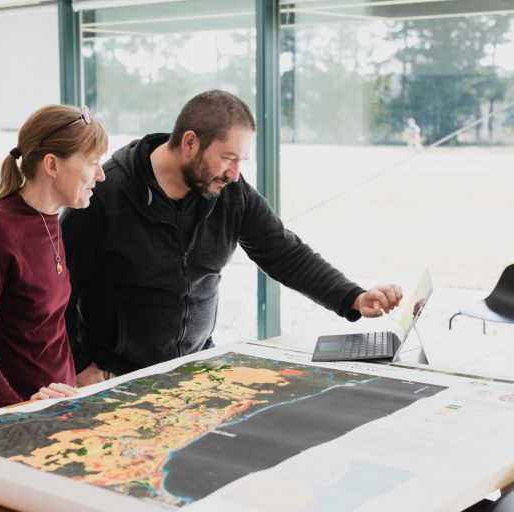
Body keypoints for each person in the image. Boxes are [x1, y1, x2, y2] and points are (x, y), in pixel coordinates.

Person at [60, 90, 402, 387]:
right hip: (116, 375)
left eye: (241, 160)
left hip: (193, 369)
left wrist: (353, 296)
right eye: (227, 157)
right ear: (190, 142)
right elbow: (59, 290)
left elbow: (284, 252)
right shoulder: (104, 194)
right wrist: (80, 364)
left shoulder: (229, 192)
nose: (234, 173)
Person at [0, 104, 108, 414]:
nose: (101, 175)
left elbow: (46, 329)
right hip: (8, 420)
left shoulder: (51, 219)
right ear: (52, 164)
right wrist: (16, 411)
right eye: (92, 162)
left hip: (56, 409)